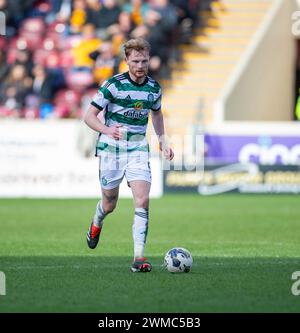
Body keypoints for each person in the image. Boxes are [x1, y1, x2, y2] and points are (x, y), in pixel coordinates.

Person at [83, 37, 174, 272]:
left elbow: (157, 114)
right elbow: (89, 116)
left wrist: (163, 140)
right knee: (109, 203)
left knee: (143, 201)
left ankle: (138, 258)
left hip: (137, 149)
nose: (141, 65)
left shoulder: (154, 88)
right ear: (126, 60)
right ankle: (97, 222)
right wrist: (107, 129)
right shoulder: (113, 85)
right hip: (111, 150)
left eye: (144, 60)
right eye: (136, 61)